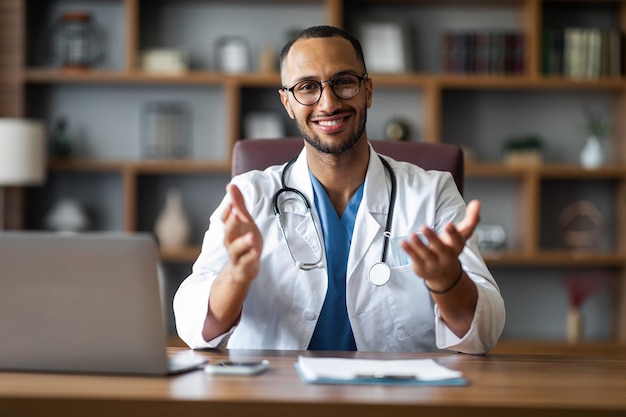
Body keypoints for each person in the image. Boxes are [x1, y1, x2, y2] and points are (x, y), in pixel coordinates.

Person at [174, 25, 505, 353]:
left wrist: (447, 282)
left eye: (344, 82)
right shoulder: (248, 196)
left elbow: (485, 331)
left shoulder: (431, 194)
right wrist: (236, 275)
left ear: (368, 90)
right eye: (307, 87)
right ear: (287, 102)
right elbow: (192, 326)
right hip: (279, 398)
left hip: (394, 399)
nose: (328, 103)